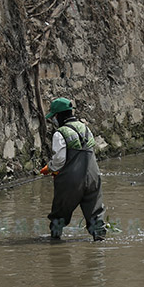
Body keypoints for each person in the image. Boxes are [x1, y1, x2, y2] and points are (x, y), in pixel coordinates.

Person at [39, 98, 106, 241]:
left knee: (60, 213)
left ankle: (55, 243)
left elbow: (59, 160)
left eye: (54, 117)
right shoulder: (86, 129)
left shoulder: (60, 133)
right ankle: (100, 243)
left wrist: (49, 168)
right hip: (94, 176)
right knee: (95, 213)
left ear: (58, 116)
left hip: (71, 180)